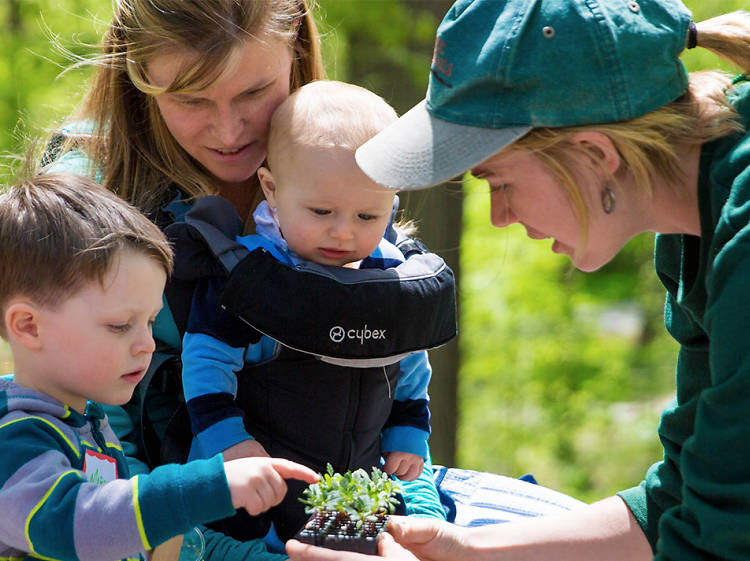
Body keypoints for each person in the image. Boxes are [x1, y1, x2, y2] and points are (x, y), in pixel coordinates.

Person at [284, 0, 750, 560]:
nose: (500, 216)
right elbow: (686, 498)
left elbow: (717, 544)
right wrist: (469, 549)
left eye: (496, 181)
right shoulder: (696, 221)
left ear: (595, 154)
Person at [44, 1, 446, 557]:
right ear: (138, 81)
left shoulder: (335, 158)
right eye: (191, 99)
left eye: (253, 93)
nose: (229, 131)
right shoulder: (84, 194)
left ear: (297, 55)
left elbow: (390, 381)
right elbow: (87, 428)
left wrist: (414, 518)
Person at [0, 173, 320, 561]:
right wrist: (207, 487)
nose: (147, 344)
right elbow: (81, 523)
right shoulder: (17, 439)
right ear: (29, 326)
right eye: (120, 325)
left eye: (150, 322)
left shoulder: (83, 420)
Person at [177, 80, 445, 542]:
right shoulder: (255, 276)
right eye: (321, 211)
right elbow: (205, 362)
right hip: (261, 475)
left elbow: (411, 360)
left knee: (378, 540)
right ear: (272, 189)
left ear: (392, 206)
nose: (343, 233)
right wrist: (228, 443)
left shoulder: (392, 271)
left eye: (367, 216)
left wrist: (407, 429)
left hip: (357, 481)